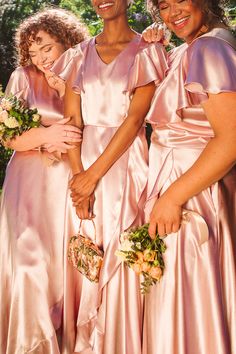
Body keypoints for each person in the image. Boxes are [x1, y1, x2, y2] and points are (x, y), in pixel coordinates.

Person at [52, 0, 168, 352]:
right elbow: (72, 122)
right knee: (86, 250)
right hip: (82, 163)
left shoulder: (146, 50)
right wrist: (78, 181)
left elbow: (135, 121)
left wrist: (93, 177)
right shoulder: (78, 55)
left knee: (121, 254)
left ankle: (119, 343)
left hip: (125, 162)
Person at [141, 1, 236, 353]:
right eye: (163, 6)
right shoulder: (200, 45)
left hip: (193, 192)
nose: (171, 12)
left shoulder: (210, 48)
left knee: (186, 300)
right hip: (192, 184)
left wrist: (172, 198)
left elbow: (231, 139)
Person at [0, 8, 89, 354]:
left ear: (67, 41)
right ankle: (29, 344)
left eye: (47, 49)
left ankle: (70, 343)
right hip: (27, 184)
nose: (40, 59)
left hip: (68, 185)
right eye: (33, 52)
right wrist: (45, 135)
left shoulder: (86, 73)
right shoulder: (23, 77)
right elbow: (7, 137)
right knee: (28, 264)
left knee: (65, 271)